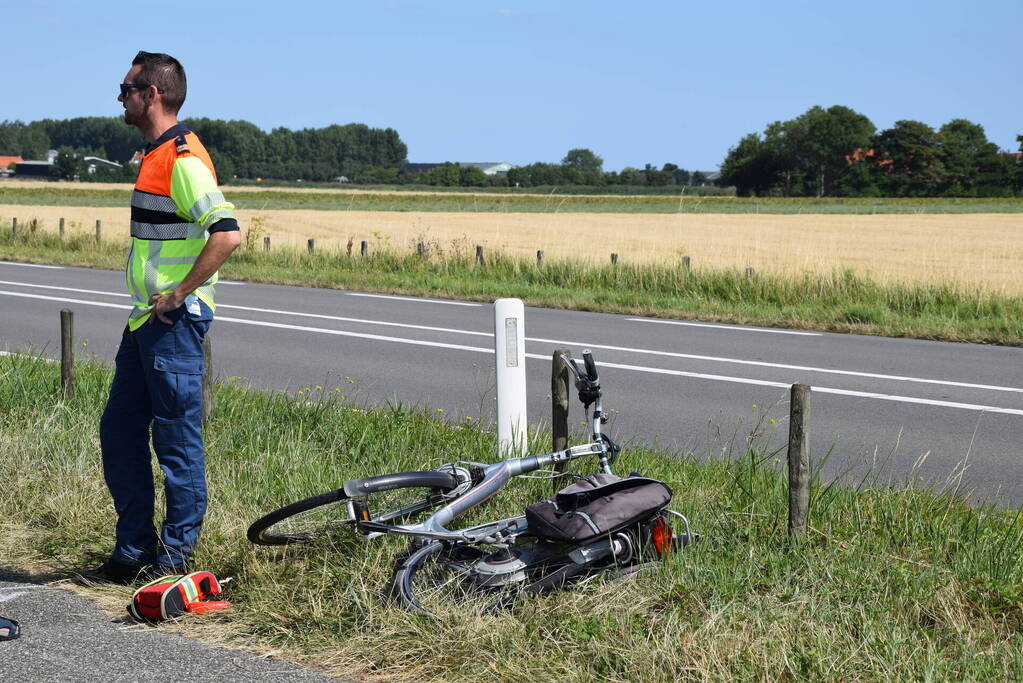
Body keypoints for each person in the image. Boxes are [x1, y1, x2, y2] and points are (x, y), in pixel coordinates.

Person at [86, 51, 241, 584]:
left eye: (126, 87)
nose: (120, 97)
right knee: (120, 433)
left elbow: (226, 232)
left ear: (151, 93)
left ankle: (175, 561)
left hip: (172, 323)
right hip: (142, 322)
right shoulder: (156, 154)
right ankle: (132, 553)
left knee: (176, 442)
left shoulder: (182, 160)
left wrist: (180, 294)